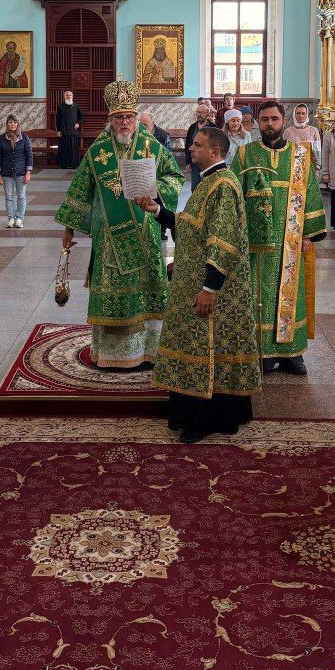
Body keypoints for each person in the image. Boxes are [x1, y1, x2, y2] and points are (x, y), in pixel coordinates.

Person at [140, 125, 259, 443]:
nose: (191, 149)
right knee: (201, 344)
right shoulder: (210, 181)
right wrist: (158, 210)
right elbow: (192, 225)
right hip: (195, 280)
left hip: (211, 288)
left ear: (215, 151)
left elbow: (223, 240)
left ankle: (207, 420)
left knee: (208, 346)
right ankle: (202, 414)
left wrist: (210, 288)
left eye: (197, 144)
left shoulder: (223, 185)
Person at [55, 79, 183, 371]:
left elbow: (175, 177)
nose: (125, 122)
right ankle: (112, 353)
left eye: (129, 117)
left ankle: (147, 351)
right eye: (119, 117)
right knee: (113, 288)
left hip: (145, 233)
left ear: (136, 119)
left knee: (146, 291)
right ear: (110, 120)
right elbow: (80, 189)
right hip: (108, 236)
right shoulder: (98, 151)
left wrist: (155, 191)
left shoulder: (152, 147)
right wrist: (68, 228)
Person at [234, 99, 326, 376]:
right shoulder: (246, 154)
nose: (270, 124)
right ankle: (263, 352)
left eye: (274, 119)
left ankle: (292, 354)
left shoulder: (300, 154)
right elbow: (235, 193)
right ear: (257, 123)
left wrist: (309, 234)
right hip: (257, 242)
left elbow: (310, 192)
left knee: (291, 295)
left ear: (283, 121)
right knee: (259, 294)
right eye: (264, 120)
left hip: (291, 239)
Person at [0, 116, 33, 229]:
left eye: (15, 122)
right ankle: (11, 218)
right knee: (9, 196)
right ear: (7, 124)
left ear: (18, 124)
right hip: (6, 172)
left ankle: (19, 218)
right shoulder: (2, 138)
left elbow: (29, 155)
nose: (13, 124)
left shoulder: (24, 137)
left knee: (21, 196)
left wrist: (28, 172)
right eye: (10, 122)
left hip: (21, 172)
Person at [185, 101, 214, 193]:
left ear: (208, 113)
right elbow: (188, 145)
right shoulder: (192, 128)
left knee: (209, 187)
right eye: (198, 112)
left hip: (209, 162)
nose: (200, 114)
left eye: (202, 112)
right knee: (195, 188)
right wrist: (188, 162)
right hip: (195, 162)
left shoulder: (213, 127)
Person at [285, 103, 322, 171]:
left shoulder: (313, 131)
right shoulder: (288, 132)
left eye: (303, 113)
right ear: (294, 115)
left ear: (306, 115)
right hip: (292, 168)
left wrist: (317, 168)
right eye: (298, 113)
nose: (301, 116)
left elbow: (317, 151)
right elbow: (285, 152)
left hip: (310, 168)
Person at [56, 91, 83, 169]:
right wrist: (58, 130)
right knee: (64, 148)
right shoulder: (60, 106)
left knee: (73, 148)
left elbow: (81, 116)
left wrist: (78, 123)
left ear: (72, 96)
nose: (69, 96)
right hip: (63, 131)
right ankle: (63, 164)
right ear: (64, 96)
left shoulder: (76, 106)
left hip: (73, 131)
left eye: (70, 95)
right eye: (67, 95)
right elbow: (58, 119)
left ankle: (74, 164)